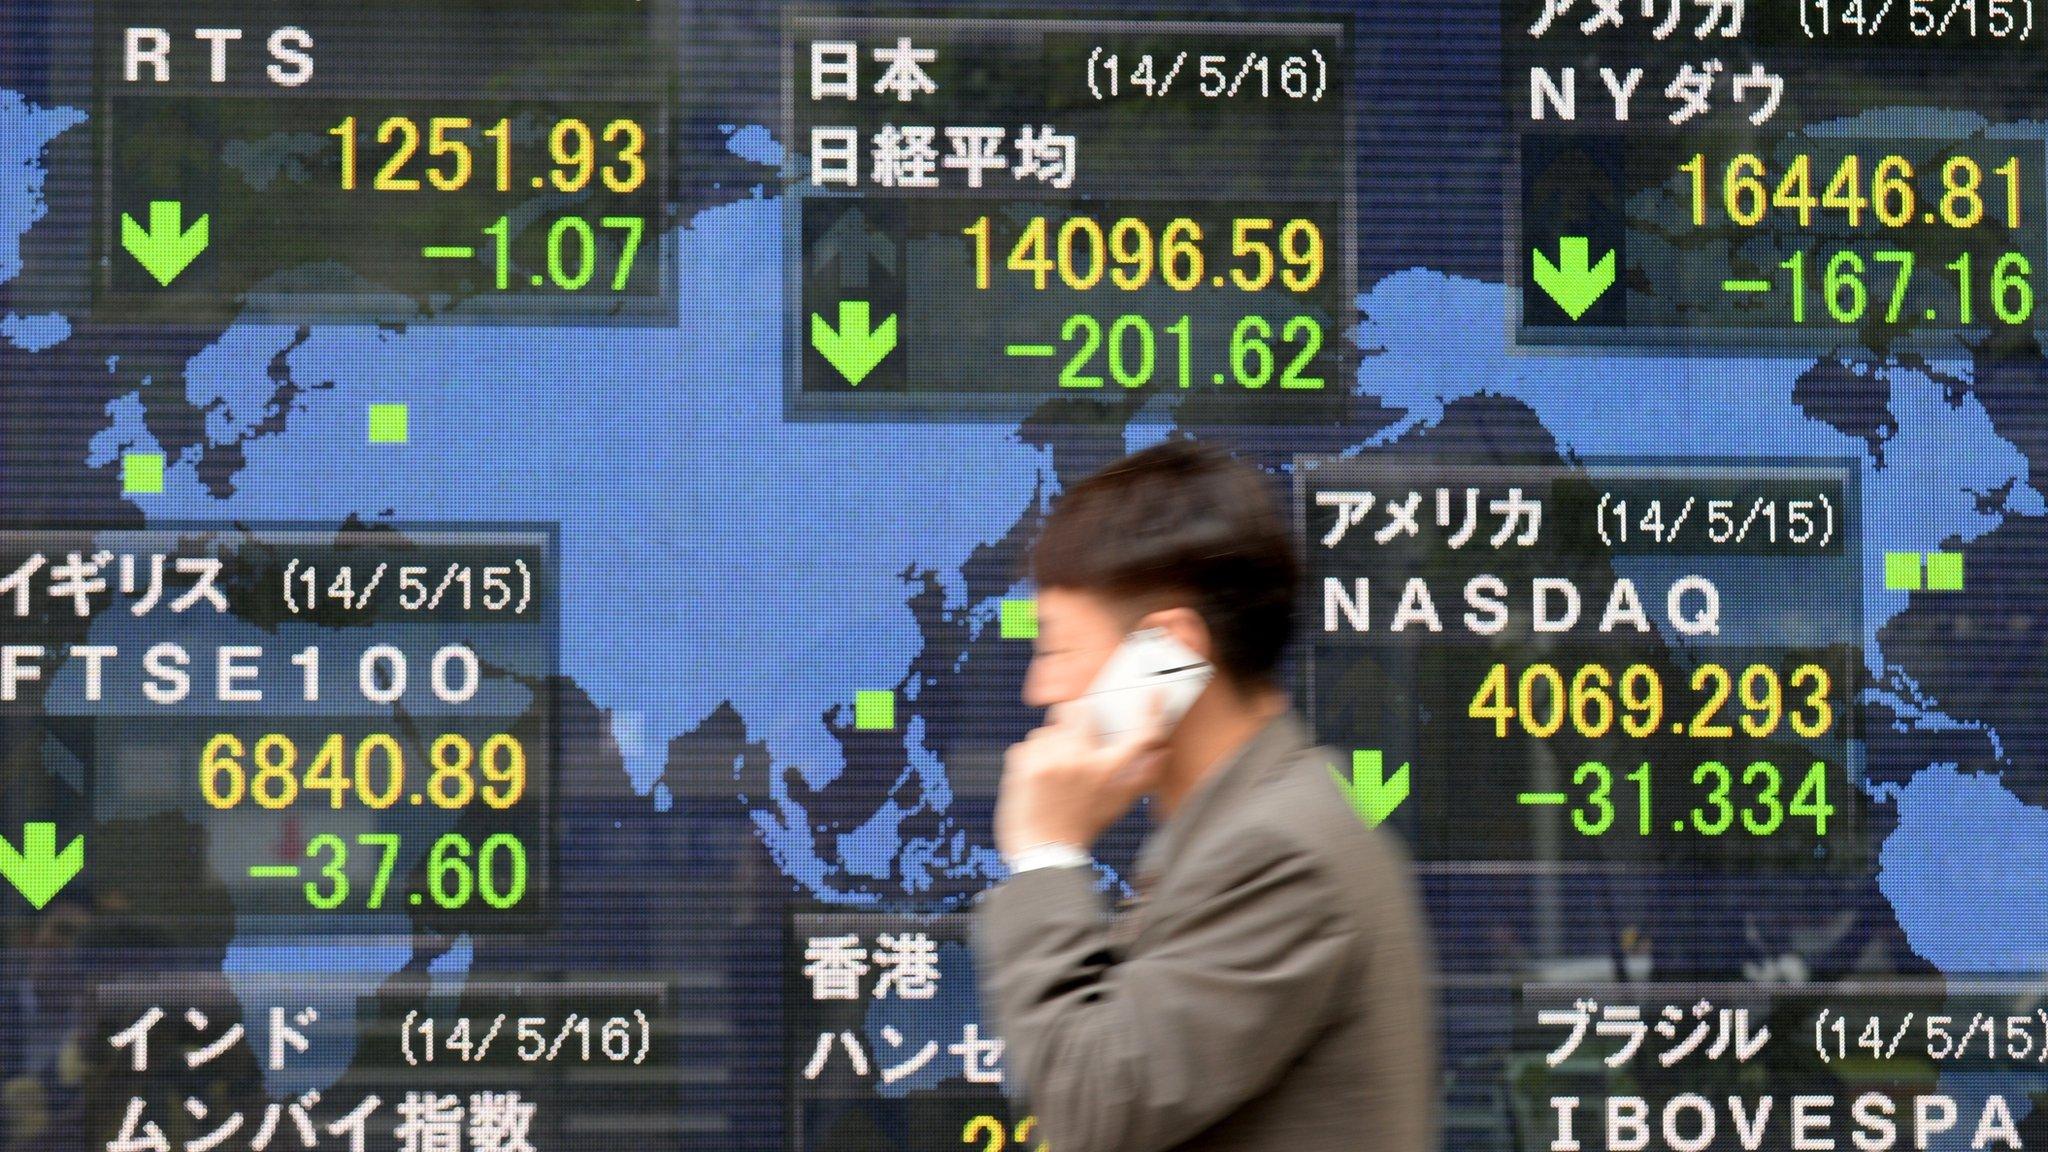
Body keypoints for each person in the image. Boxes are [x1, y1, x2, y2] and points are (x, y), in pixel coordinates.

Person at [974, 439, 1438, 1152]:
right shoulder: (1246, 825)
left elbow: (1091, 1107)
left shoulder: (1279, 853)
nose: (1041, 689)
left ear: (1167, 653)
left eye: (1059, 650)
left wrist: (1044, 856)